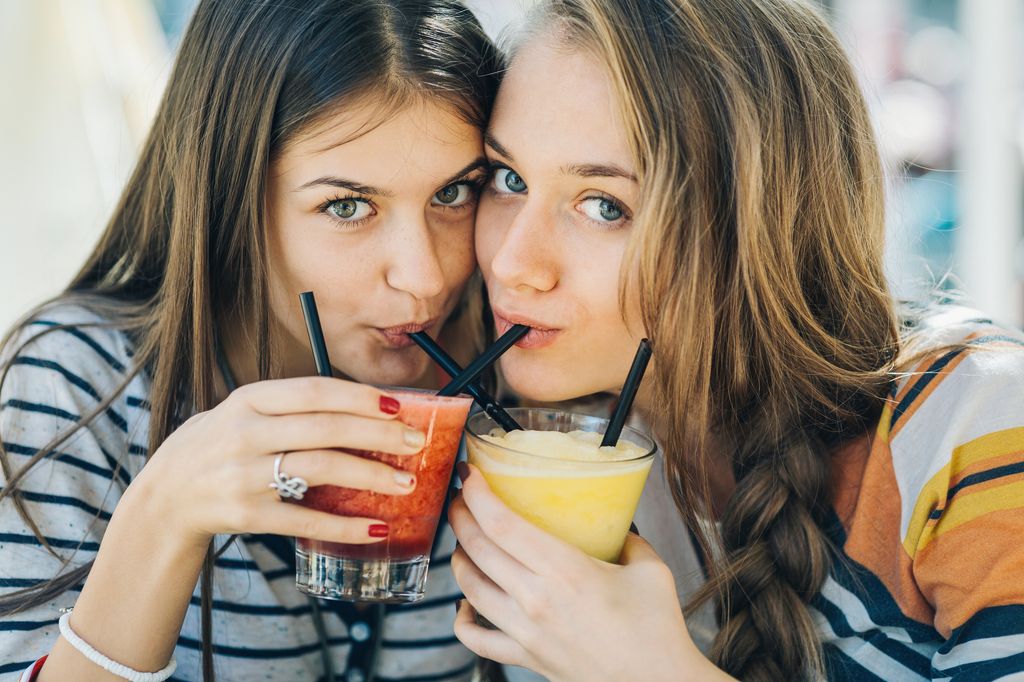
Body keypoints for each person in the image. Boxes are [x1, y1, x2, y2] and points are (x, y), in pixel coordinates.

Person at [449, 0, 1024, 680]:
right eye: (508, 179)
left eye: (605, 206)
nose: (513, 263)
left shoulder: (971, 421)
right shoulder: (554, 457)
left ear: (757, 232)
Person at [0, 1, 501, 680]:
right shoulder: (75, 382)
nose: (424, 279)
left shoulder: (496, 399)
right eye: (347, 206)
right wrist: (164, 514)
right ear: (229, 191)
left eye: (454, 194)